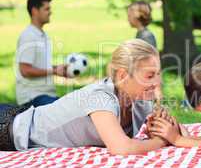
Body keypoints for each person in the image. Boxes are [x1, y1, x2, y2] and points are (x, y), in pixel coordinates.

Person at [1, 40, 169, 154]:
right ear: (123, 75)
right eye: (149, 76)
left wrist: (168, 128)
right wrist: (160, 141)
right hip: (9, 129)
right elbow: (121, 148)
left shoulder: (140, 101)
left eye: (159, 74)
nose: (158, 82)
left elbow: (175, 130)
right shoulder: (101, 98)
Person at [15, 0, 68, 107]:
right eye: (46, 9)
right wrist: (53, 71)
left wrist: (59, 69)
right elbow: (25, 70)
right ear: (35, 11)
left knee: (75, 107)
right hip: (33, 98)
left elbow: (41, 67)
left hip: (46, 96)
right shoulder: (28, 36)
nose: (50, 12)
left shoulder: (43, 36)